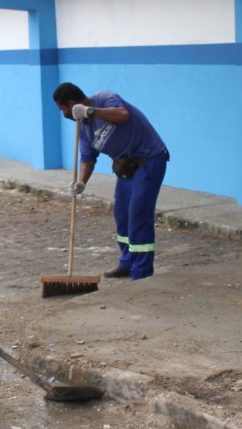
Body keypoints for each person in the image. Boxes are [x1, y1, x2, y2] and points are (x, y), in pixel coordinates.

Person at [53, 82, 170, 281]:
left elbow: (123, 115)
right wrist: (81, 183)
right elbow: (88, 159)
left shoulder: (104, 98)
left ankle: (142, 272)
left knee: (138, 214)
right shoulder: (83, 128)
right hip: (127, 167)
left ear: (72, 103)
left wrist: (91, 111)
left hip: (149, 159)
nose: (63, 113)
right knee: (122, 214)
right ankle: (127, 262)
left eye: (63, 109)